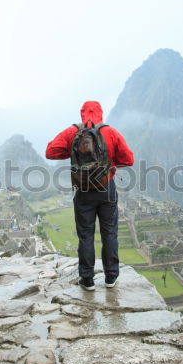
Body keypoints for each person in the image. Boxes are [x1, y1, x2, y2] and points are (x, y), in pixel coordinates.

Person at [45, 101, 134, 290]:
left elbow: (50, 151)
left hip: (83, 191)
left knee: (86, 235)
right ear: (101, 113)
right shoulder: (110, 132)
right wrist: (109, 162)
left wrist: (73, 152)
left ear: (82, 114)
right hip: (106, 188)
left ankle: (87, 279)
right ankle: (111, 277)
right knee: (109, 232)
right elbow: (129, 159)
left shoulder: (73, 132)